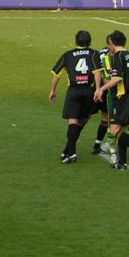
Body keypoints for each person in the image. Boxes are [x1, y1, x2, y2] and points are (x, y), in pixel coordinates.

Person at [93, 30, 129, 170]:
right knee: (122, 130)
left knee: (113, 130)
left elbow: (117, 78)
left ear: (112, 43)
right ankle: (122, 162)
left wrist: (101, 89)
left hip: (121, 96)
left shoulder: (118, 56)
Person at [49, 30, 102, 164]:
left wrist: (52, 91)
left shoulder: (67, 55)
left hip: (73, 91)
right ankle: (67, 151)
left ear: (76, 41)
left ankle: (71, 153)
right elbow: (97, 73)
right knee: (79, 122)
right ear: (89, 42)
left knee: (73, 122)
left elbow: (56, 75)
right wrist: (97, 89)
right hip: (88, 91)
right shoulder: (94, 53)